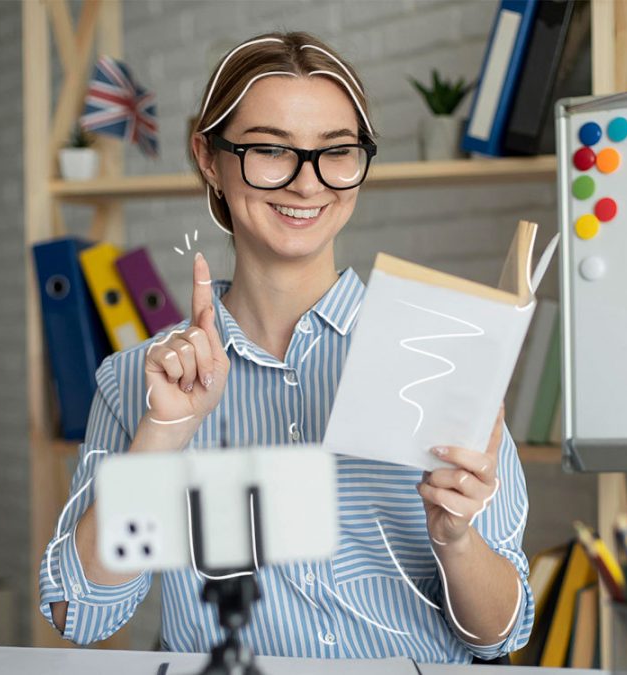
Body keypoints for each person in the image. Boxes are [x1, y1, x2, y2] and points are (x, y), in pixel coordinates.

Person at [39, 31, 533, 663]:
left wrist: (457, 539)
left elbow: (498, 635)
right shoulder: (138, 378)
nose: (307, 184)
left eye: (337, 152)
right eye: (271, 149)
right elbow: (77, 615)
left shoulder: (442, 349)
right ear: (209, 157)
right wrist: (161, 436)